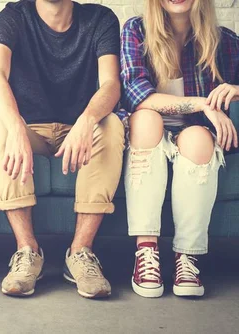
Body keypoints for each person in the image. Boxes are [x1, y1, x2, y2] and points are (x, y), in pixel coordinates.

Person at [0, 0, 124, 298]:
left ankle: (80, 253)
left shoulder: (100, 18)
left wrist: (87, 120)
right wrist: (15, 126)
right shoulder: (13, 16)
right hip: (30, 130)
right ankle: (27, 252)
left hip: (79, 131)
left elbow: (111, 83)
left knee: (111, 124)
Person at [121, 0, 239, 298]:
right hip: (146, 130)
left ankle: (187, 256)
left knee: (199, 138)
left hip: (194, 131)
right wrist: (203, 103)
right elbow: (138, 95)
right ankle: (146, 251)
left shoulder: (222, 40)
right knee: (146, 119)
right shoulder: (136, 30)